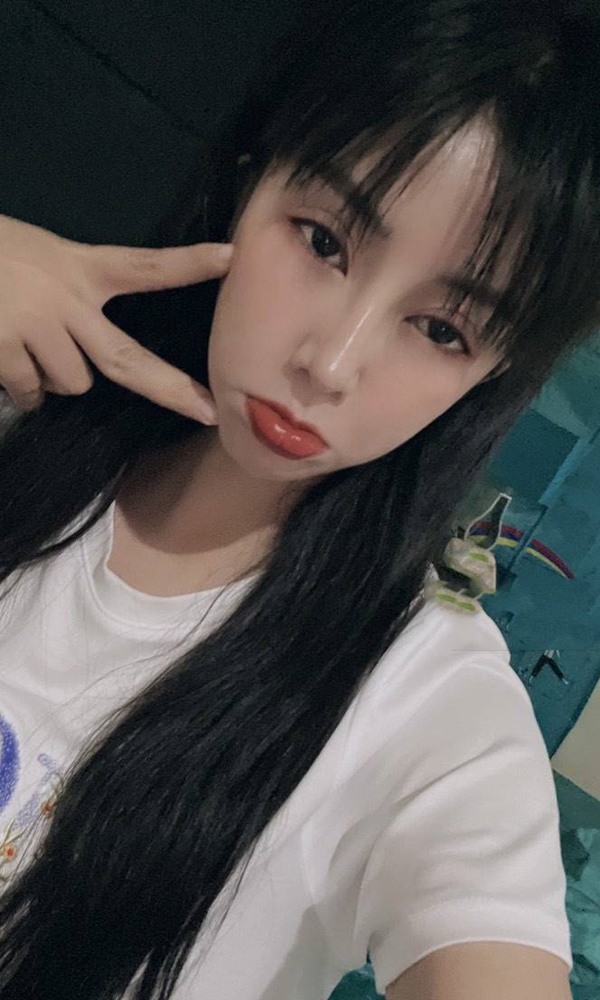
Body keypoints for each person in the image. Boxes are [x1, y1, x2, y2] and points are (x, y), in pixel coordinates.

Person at [0, 0, 598, 997]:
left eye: (442, 330)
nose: (332, 361)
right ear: (249, 180)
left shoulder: (428, 712)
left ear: (489, 377)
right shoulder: (26, 417)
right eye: (324, 240)